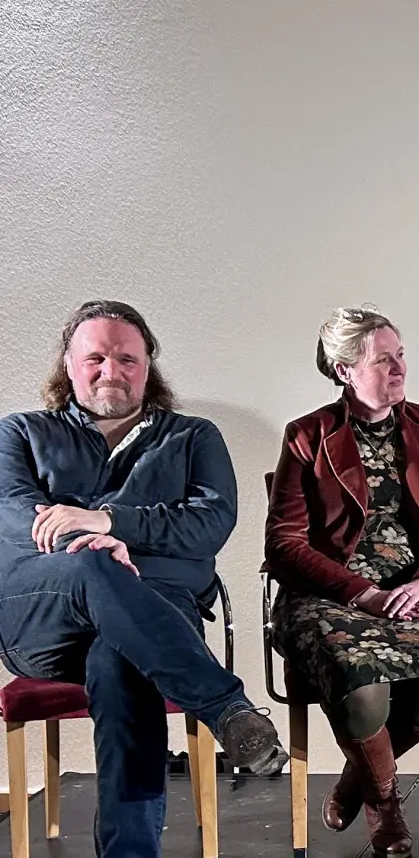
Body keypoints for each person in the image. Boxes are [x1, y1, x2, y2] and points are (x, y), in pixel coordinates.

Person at [0, 300, 287, 858]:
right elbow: (13, 514)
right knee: (92, 564)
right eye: (97, 358)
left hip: (155, 612)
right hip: (45, 615)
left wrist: (108, 521)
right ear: (68, 363)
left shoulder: (193, 437)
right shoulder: (19, 433)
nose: (112, 371)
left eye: (128, 359)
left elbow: (209, 526)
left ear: (149, 364)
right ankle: (228, 710)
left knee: (120, 661)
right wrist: (92, 546)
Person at [265, 306, 419, 856]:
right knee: (363, 692)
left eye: (400, 355)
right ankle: (387, 810)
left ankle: (358, 779)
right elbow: (284, 543)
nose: (399, 368)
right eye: (383, 359)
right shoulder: (306, 436)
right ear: (343, 370)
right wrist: (364, 594)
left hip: (411, 589)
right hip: (328, 594)